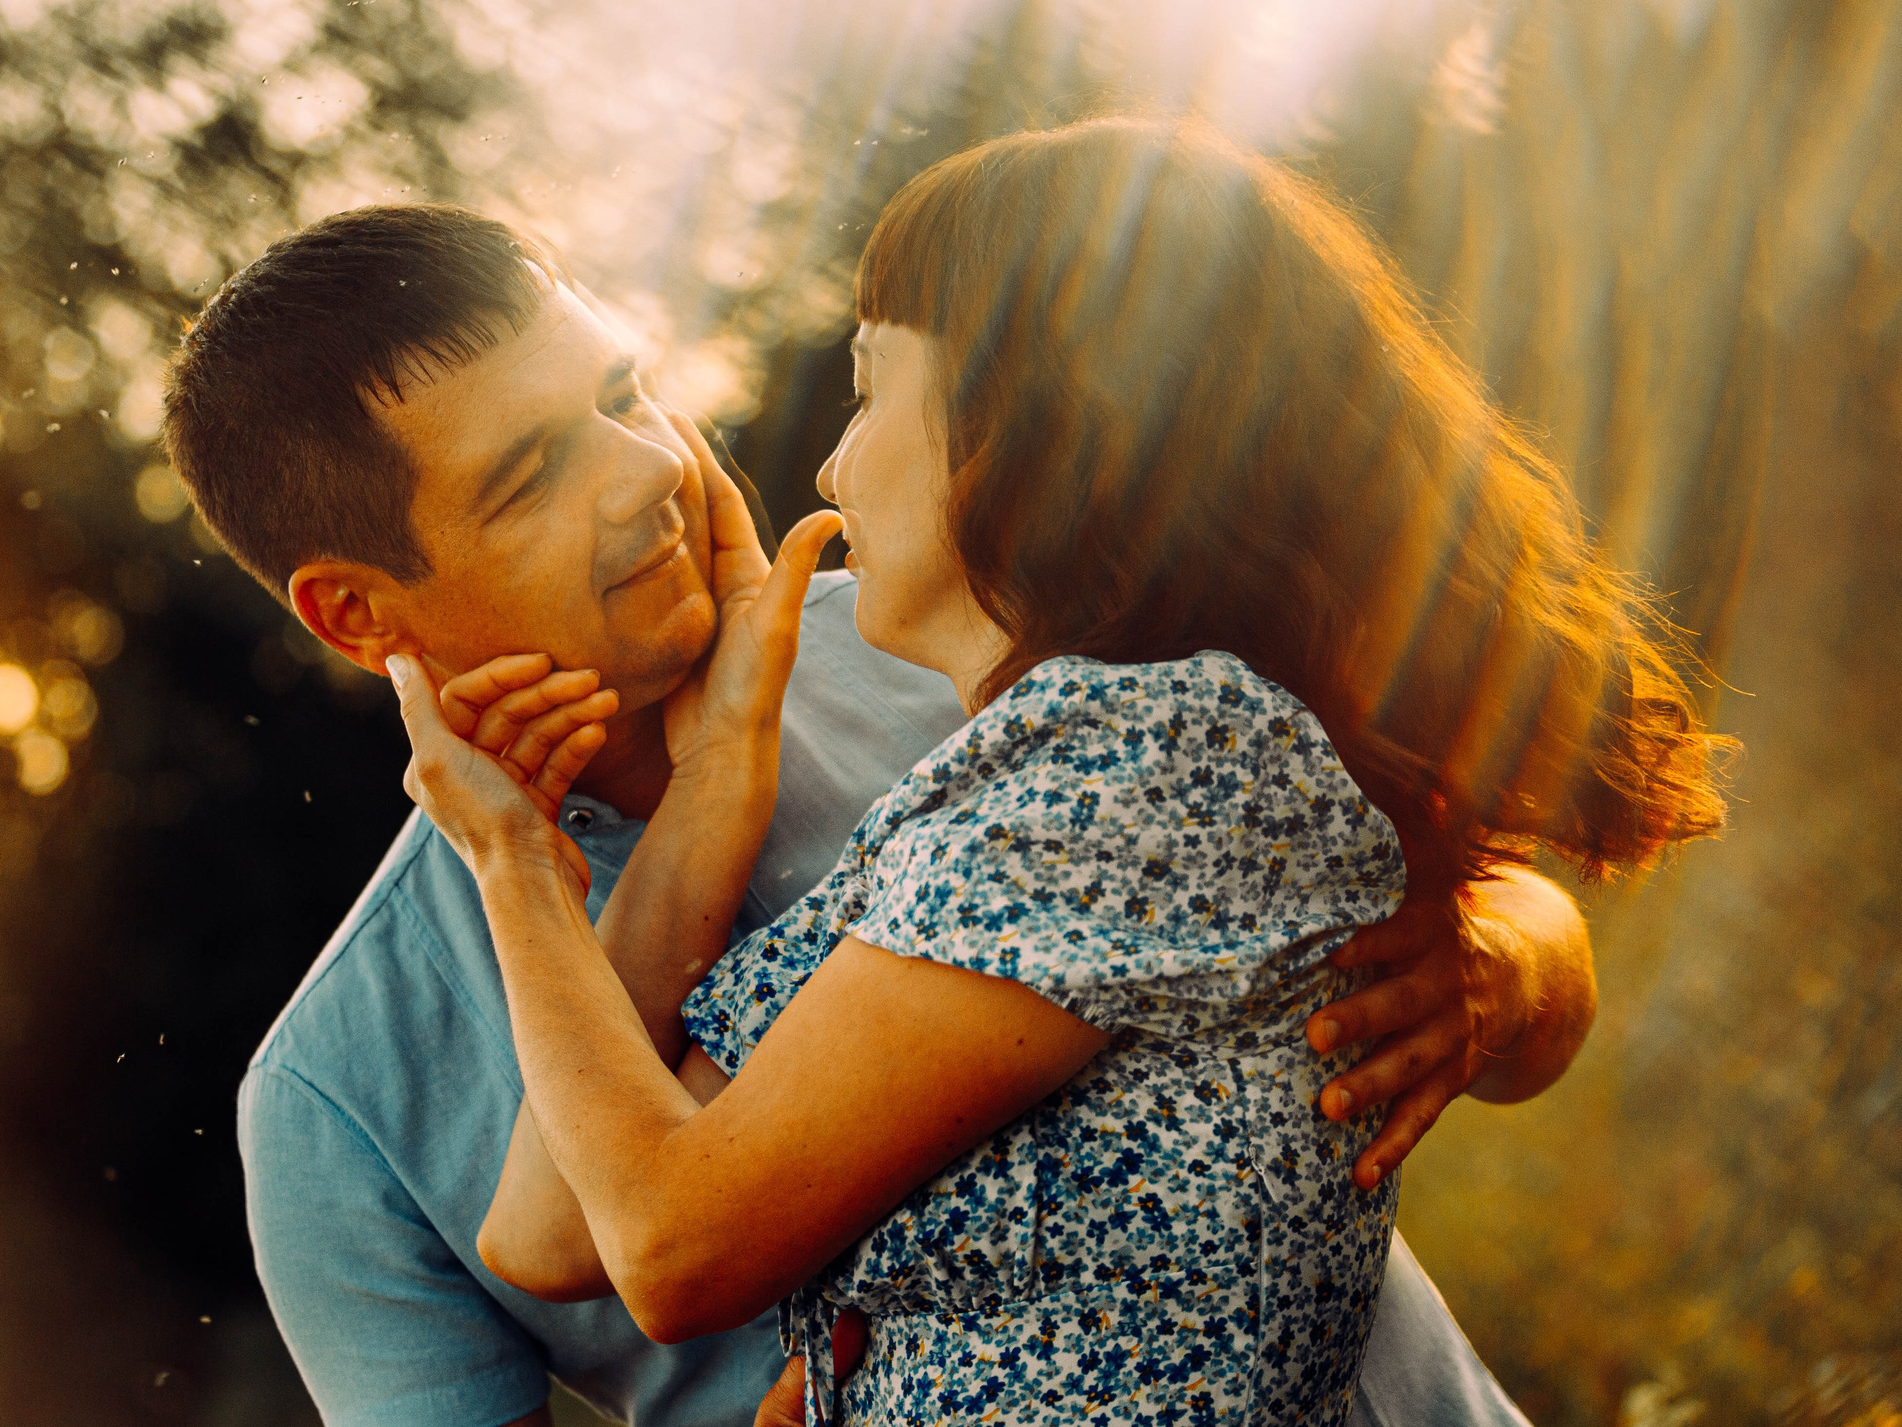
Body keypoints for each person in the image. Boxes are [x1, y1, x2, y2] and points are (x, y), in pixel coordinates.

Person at [163, 199, 1610, 1426]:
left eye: (621, 392)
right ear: (356, 614)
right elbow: (589, 1235)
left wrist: (1490, 976)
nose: (655, 469)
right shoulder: (337, 1111)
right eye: (533, 473)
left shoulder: (986, 634)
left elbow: (1514, 913)